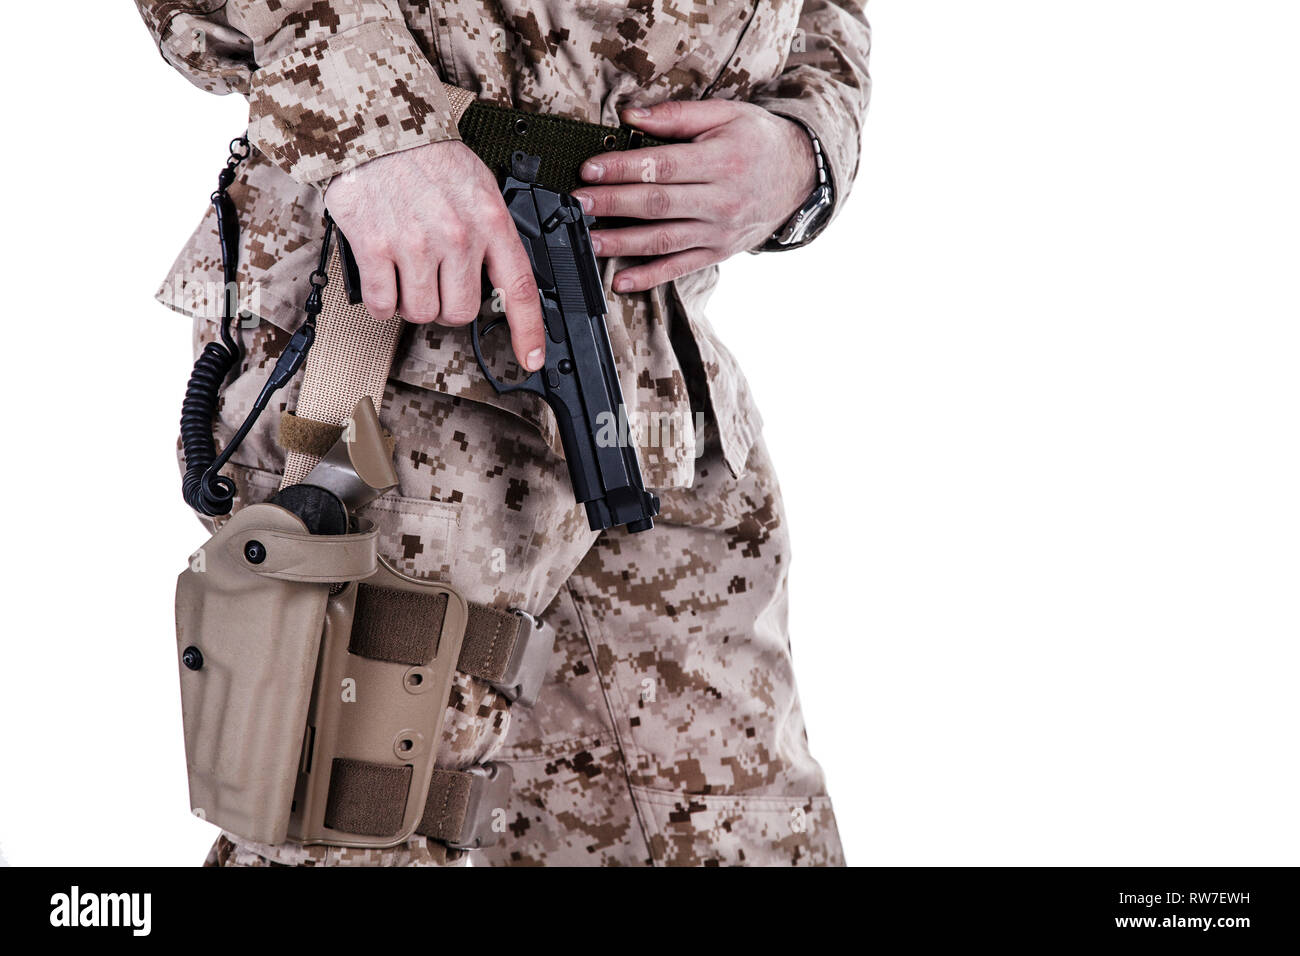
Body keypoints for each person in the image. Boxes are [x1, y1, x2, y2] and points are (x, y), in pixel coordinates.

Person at [135, 0, 871, 867]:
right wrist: (380, 119)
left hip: (650, 377)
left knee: (733, 836)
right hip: (391, 337)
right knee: (354, 830)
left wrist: (806, 144)